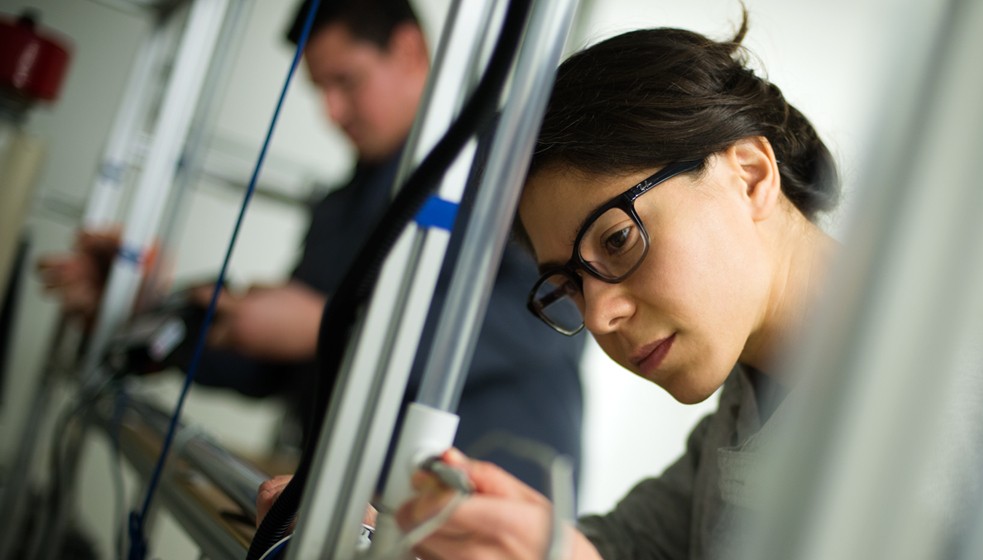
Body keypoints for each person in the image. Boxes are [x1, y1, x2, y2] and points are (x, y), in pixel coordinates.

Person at [358, 21, 983, 560]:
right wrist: (429, 537)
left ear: (750, 175)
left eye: (616, 240)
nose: (602, 315)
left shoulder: (963, 397)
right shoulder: (767, 386)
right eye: (569, 284)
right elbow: (654, 551)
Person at [37, 0, 586, 494]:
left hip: (491, 505)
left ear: (409, 51)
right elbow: (277, 362)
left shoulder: (514, 163)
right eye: (319, 90)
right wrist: (144, 309)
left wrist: (328, 323)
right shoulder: (341, 207)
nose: (331, 111)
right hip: (355, 516)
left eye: (346, 82)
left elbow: (549, 316)